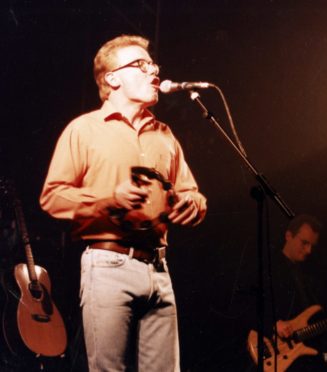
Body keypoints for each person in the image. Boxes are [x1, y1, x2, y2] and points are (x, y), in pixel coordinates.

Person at [39, 34, 207, 371]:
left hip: (160, 270)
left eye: (153, 64)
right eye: (141, 64)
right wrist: (108, 199)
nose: (153, 71)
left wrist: (194, 203)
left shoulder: (164, 134)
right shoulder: (84, 129)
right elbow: (52, 197)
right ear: (111, 78)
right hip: (108, 265)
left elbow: (191, 192)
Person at [265, 214, 327, 372]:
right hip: (275, 353)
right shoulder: (268, 266)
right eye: (304, 243)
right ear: (288, 236)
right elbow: (243, 304)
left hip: (301, 355)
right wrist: (273, 324)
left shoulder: (307, 274)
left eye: (312, 245)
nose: (309, 250)